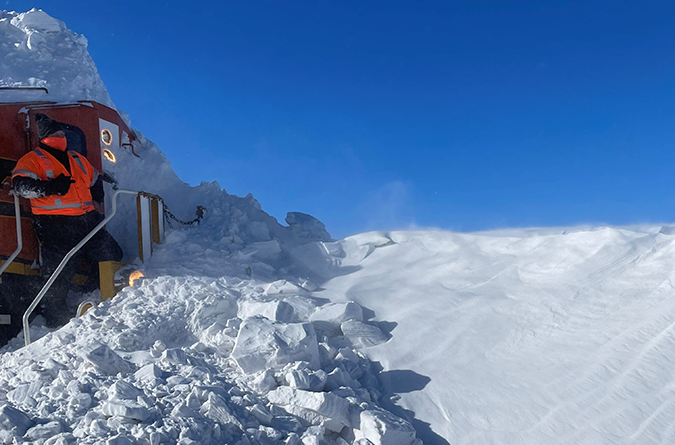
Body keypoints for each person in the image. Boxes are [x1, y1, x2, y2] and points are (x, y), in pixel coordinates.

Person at [10, 113, 123, 327]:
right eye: (57, 133)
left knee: (112, 254)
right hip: (54, 226)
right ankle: (55, 319)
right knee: (57, 276)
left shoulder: (77, 159)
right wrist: (50, 187)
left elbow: (94, 178)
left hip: (87, 222)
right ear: (46, 137)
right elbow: (21, 187)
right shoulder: (32, 159)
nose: (62, 136)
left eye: (63, 133)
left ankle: (94, 294)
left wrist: (97, 193)